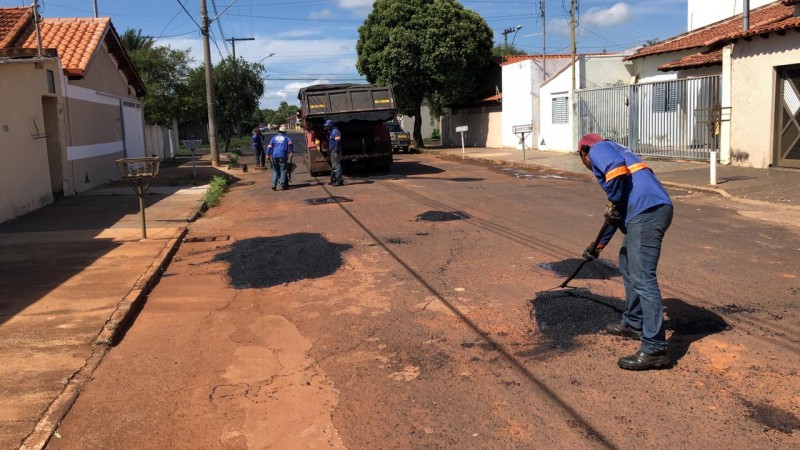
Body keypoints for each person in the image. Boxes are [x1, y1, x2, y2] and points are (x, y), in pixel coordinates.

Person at [577, 133, 673, 371]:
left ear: (583, 153)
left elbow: (616, 174)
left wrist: (613, 198)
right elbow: (616, 213)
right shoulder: (621, 151)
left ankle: (654, 348)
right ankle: (634, 321)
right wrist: (596, 247)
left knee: (643, 278)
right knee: (627, 262)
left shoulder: (598, 148)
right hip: (651, 209)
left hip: (646, 213)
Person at [267, 125, 294, 190]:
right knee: (283, 170)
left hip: (275, 155)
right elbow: (290, 144)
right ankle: (283, 185)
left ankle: (274, 185)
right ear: (284, 132)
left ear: (279, 131)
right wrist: (291, 152)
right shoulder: (287, 138)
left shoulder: (274, 138)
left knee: (275, 170)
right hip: (283, 155)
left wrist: (267, 154)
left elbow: (269, 146)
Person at [324, 119, 343, 186]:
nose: (326, 127)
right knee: (334, 166)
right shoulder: (332, 132)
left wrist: (336, 149)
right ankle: (333, 180)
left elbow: (338, 141)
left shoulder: (336, 132)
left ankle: (339, 181)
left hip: (335, 150)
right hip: (332, 150)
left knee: (336, 166)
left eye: (327, 126)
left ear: (331, 126)